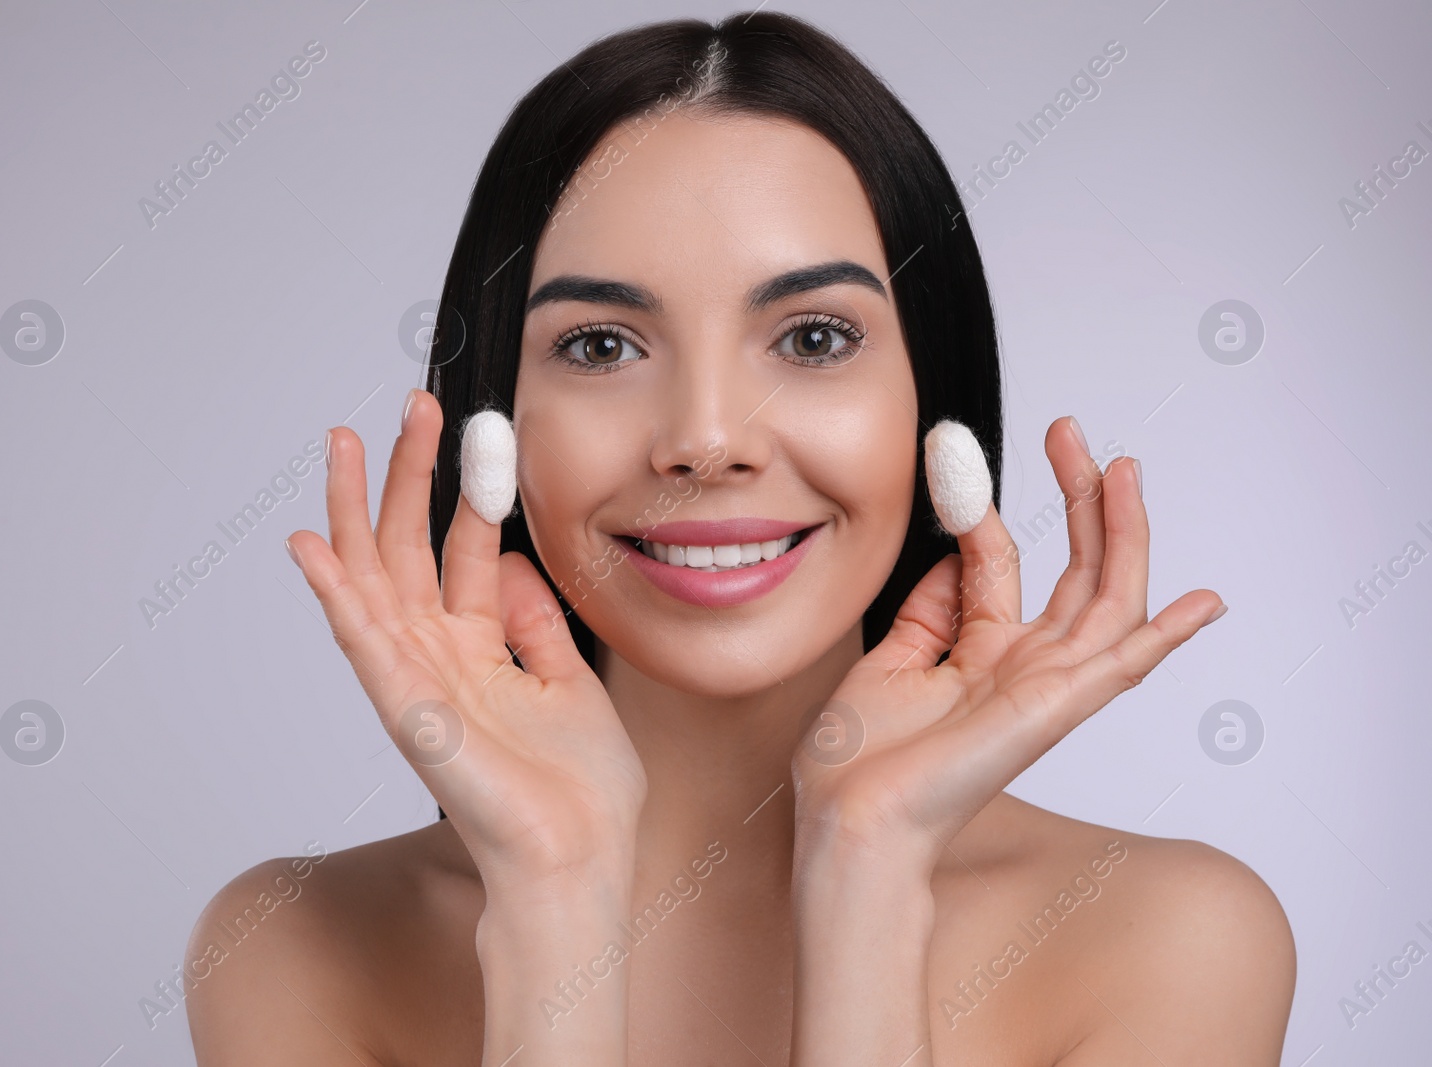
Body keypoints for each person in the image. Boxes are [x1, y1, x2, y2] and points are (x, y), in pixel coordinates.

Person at [184, 12, 1295, 1064]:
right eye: (604, 346)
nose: (707, 440)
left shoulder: (1171, 938)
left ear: (932, 407)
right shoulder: (293, 946)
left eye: (812, 336)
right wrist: (551, 892)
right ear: (495, 422)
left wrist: (871, 866)